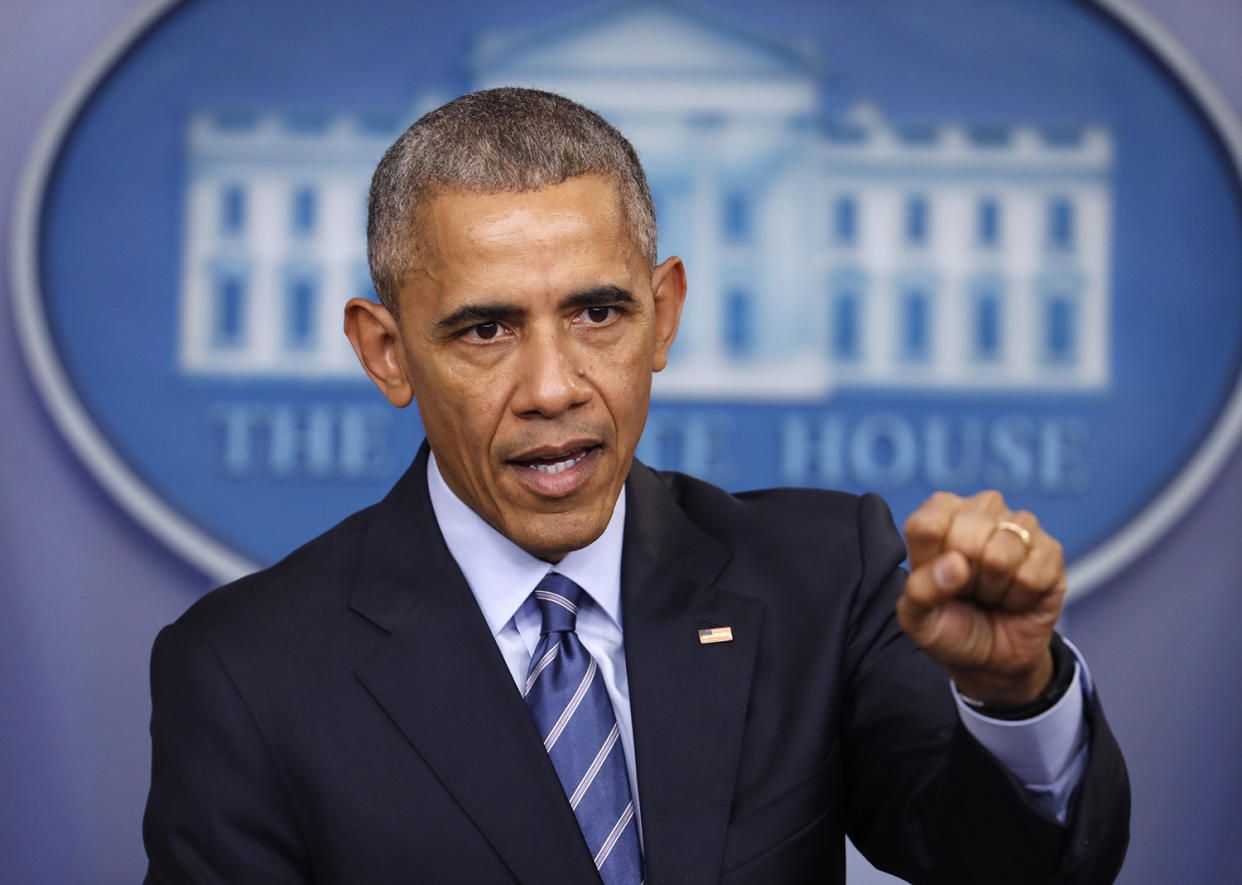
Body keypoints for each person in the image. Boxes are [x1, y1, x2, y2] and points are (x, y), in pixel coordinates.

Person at [143, 87, 1129, 884]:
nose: (553, 387)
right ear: (387, 352)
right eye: (485, 330)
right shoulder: (245, 674)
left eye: (598, 314)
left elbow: (1008, 865)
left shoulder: (825, 577)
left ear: (663, 316)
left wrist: (1011, 696)